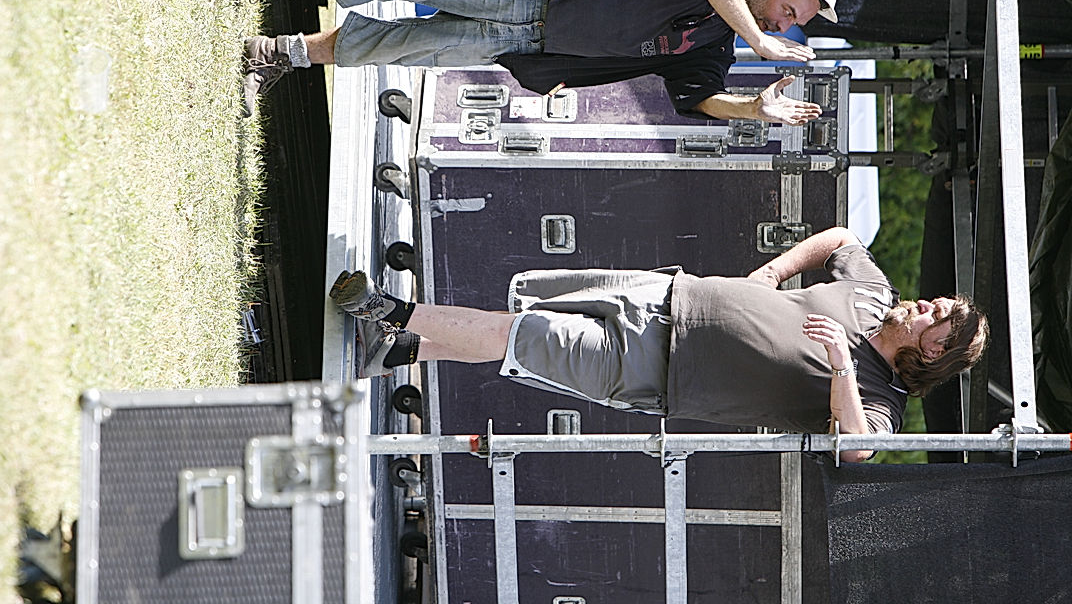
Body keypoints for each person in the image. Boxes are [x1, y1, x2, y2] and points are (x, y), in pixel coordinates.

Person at [328, 227, 988, 462]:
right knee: (523, 318)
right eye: (939, 300)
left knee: (522, 337)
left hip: (658, 372)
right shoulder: (873, 293)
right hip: (666, 296)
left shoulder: (885, 405)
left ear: (934, 351)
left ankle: (390, 311)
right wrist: (773, 273)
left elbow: (861, 446)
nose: (928, 303)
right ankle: (406, 349)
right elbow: (841, 238)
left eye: (940, 315)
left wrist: (843, 366)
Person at [232, 0, 839, 121]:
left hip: (532, 41)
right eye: (788, 12)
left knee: (405, 46)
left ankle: (279, 53)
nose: (782, 26)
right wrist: (760, 39)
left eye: (791, 27)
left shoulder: (716, 41)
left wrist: (751, 109)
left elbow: (699, 95)